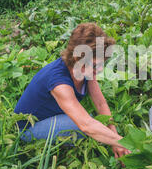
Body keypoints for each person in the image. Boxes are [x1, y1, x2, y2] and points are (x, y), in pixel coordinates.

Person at [14, 22, 131, 159]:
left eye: (101, 64)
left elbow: (100, 103)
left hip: (53, 117)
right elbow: (86, 125)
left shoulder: (86, 70)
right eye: (94, 65)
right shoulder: (59, 82)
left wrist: (114, 136)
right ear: (77, 58)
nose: (98, 70)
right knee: (85, 128)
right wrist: (124, 143)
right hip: (29, 128)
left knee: (100, 125)